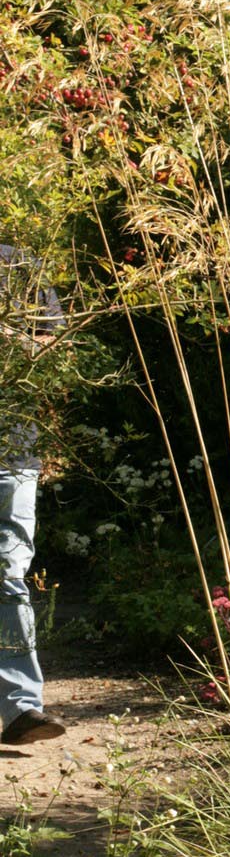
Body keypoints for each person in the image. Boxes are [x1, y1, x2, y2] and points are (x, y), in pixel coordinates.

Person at [0, 245, 67, 745]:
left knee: (7, 575)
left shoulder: (21, 265)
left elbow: (52, 348)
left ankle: (22, 709)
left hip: (13, 455)